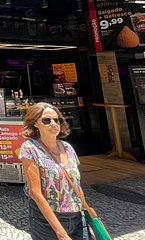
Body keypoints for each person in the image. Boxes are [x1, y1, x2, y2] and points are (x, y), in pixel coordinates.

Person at [20, 102, 85, 240]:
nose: (53, 123)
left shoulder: (68, 148)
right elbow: (35, 192)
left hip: (77, 216)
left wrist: (87, 216)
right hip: (46, 220)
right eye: (46, 120)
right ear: (36, 124)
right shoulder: (30, 149)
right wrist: (60, 232)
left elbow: (77, 185)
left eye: (56, 120)